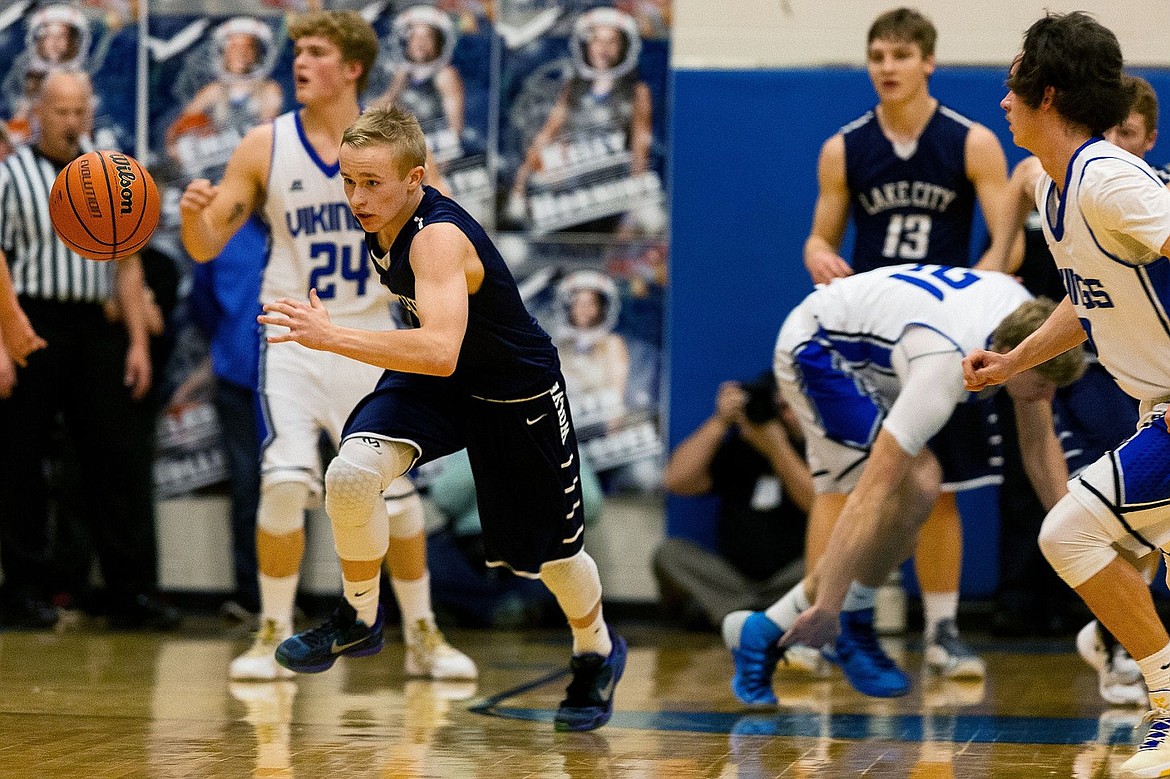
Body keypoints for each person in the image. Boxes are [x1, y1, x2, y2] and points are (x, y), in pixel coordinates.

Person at [258, 104, 627, 732]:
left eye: (371, 183)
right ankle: (361, 616)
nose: (356, 197)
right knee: (350, 474)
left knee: (554, 561)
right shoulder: (387, 212)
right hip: (441, 381)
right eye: (348, 181)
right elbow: (437, 358)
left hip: (514, 391)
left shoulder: (435, 238)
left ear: (415, 179)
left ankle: (595, 650)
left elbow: (438, 346)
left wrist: (330, 335)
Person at [179, 10, 475, 683]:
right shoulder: (263, 144)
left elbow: (448, 231)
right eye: (297, 53)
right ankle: (271, 633)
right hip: (293, 340)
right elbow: (204, 244)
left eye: (315, 52)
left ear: (352, 68)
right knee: (283, 485)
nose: (299, 63)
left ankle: (423, 634)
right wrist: (191, 216)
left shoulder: (391, 145)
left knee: (396, 500)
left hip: (373, 344)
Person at [960, 13, 1170, 775]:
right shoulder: (1058, 188)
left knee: (1069, 533)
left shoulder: (1109, 179)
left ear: (1046, 93)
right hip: (1156, 408)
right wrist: (1015, 360)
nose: (1002, 96)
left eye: (1013, 80)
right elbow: (1088, 302)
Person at [723, 263, 1084, 704]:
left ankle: (761, 631)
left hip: (883, 348)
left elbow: (1039, 443)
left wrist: (1078, 542)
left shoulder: (1029, 330)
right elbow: (869, 496)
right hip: (818, 348)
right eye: (1044, 384)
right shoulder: (946, 364)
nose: (1046, 397)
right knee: (910, 485)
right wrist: (829, 610)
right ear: (1005, 350)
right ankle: (848, 622)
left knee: (920, 486)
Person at [800, 6, 1013, 682]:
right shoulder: (844, 147)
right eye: (877, 56)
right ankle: (812, 628)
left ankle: (943, 632)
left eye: (899, 55)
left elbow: (1006, 241)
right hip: (867, 339)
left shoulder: (972, 141)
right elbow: (819, 238)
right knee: (837, 483)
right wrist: (816, 256)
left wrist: (975, 295)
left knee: (940, 487)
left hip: (937, 337)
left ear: (928, 62)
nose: (886, 67)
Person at [0, 70, 179, 630]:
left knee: (116, 460)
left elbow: (128, 264)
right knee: (20, 462)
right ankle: (23, 592)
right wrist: (2, 345)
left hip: (97, 326)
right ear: (37, 111)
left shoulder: (112, 173)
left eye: (80, 111)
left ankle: (131, 593)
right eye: (61, 111)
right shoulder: (10, 175)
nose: (72, 121)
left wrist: (137, 343)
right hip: (29, 319)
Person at [656, 375, 813, 637]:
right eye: (778, 408)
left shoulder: (813, 450)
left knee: (825, 564)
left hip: (789, 579)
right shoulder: (739, 449)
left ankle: (741, 617)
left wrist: (777, 447)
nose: (783, 417)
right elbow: (676, 480)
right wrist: (720, 421)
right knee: (669, 554)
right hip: (732, 579)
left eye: (790, 408)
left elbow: (814, 503)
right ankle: (763, 617)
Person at [504, 6, 654, 231]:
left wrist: (638, 197)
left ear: (624, 47)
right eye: (596, 41)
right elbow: (547, 133)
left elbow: (640, 146)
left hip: (612, 192)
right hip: (569, 192)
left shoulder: (637, 92)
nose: (603, 49)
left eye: (611, 41)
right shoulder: (572, 87)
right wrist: (519, 185)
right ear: (585, 45)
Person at [166, 17, 284, 176]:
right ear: (223, 52)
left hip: (250, 170)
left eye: (248, 46)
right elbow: (176, 133)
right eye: (234, 46)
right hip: (214, 170)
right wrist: (191, 137)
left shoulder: (268, 90)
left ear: (258, 53)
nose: (241, 53)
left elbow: (268, 137)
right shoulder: (212, 91)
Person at [373, 6, 464, 165]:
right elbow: (371, 116)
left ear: (439, 42)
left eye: (428, 37)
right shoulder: (397, 74)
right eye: (414, 36)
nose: (420, 43)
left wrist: (440, 169)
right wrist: (395, 89)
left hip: (432, 157)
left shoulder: (445, 75)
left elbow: (454, 131)